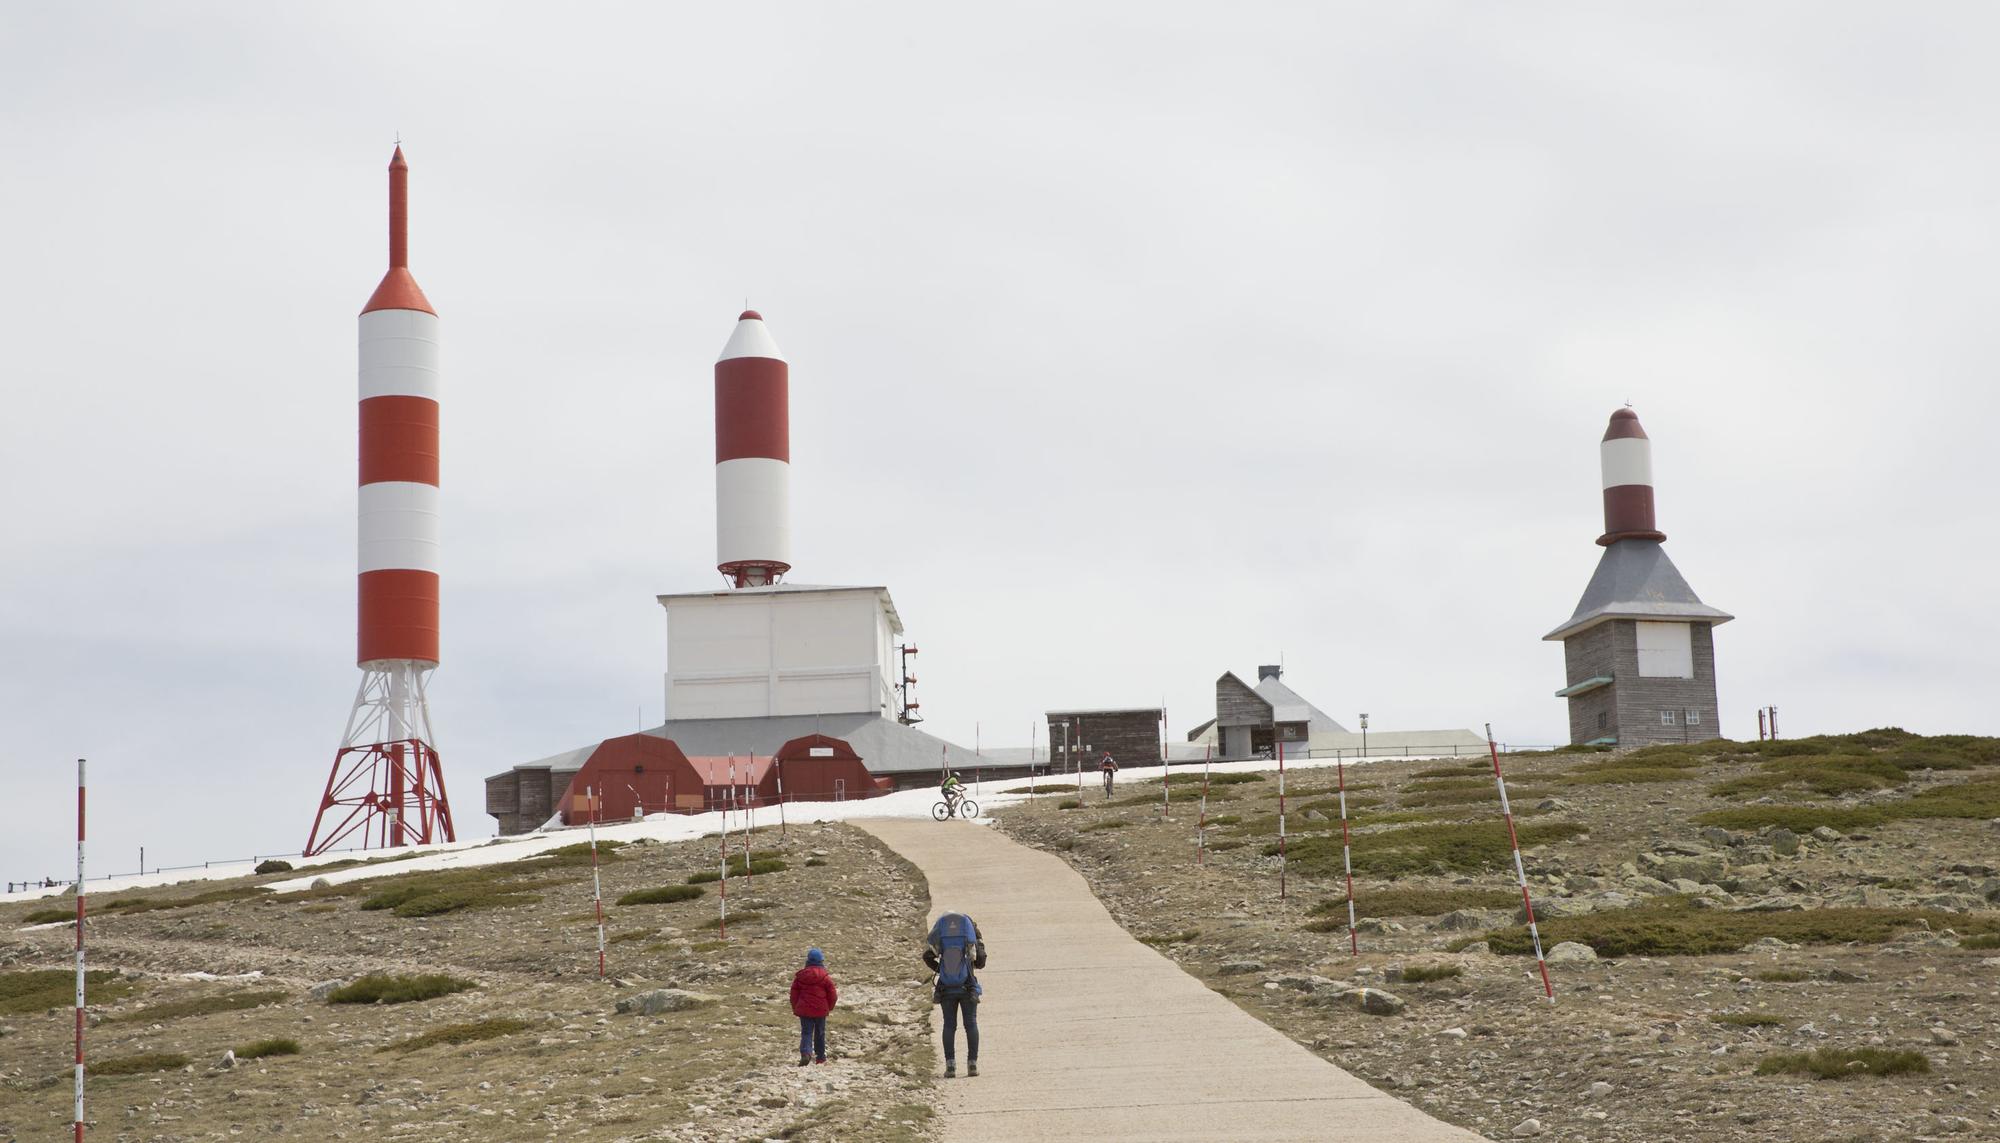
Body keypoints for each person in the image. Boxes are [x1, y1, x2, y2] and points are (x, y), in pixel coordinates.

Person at [923, 911, 986, 1078]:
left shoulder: (942, 933)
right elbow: (980, 962)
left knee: (949, 1026)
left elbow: (927, 956)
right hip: (968, 987)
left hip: (946, 989)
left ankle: (950, 1066)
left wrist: (941, 968)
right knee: (970, 1024)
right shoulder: (969, 934)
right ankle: (972, 1064)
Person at [789, 946, 838, 1066]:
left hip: (804, 1010)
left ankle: (806, 1053)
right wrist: (829, 1007)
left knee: (806, 1032)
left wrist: (796, 1007)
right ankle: (820, 1057)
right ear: (821, 961)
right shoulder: (825, 977)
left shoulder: (800, 976)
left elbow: (794, 994)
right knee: (820, 1033)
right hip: (821, 1010)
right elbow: (832, 994)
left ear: (808, 961)